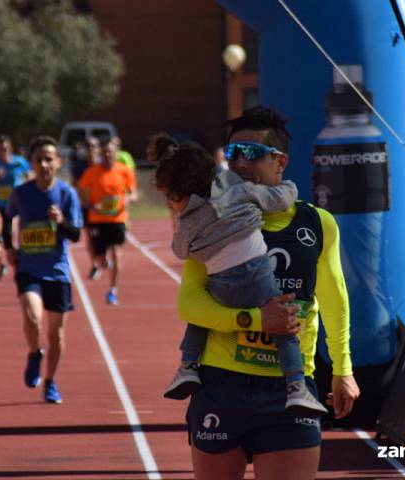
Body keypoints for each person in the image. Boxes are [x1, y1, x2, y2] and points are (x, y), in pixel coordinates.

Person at [176, 105, 359, 479]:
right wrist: (256, 319)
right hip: (221, 384)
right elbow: (190, 303)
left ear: (280, 162)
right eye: (232, 154)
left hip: (289, 391)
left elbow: (335, 297)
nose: (239, 164)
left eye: (252, 153)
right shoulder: (212, 219)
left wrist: (343, 369)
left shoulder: (317, 223)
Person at [153, 134, 326, 417]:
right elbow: (276, 199)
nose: (171, 206)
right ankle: (296, 386)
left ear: (184, 192)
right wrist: (290, 187)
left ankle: (187, 366)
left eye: (171, 199)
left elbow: (181, 251)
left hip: (221, 286)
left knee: (202, 319)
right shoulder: (235, 186)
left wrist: (189, 230)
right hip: (258, 277)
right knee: (283, 328)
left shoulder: (188, 219)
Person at [3, 136, 82, 404]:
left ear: (58, 163)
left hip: (58, 272)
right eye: (39, 160)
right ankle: (34, 353)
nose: (44, 164)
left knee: (56, 334)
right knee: (33, 317)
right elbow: (7, 218)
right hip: (28, 268)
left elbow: (76, 235)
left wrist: (60, 221)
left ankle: (50, 382)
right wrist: (9, 247)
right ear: (32, 164)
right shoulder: (21, 193)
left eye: (49, 159)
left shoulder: (67, 194)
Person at [78, 138, 137, 305]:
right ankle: (103, 262)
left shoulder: (124, 171)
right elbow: (81, 189)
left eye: (111, 151)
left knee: (117, 253)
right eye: (104, 152)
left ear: (116, 153)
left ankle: (113, 290)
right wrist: (90, 205)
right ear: (101, 154)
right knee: (101, 260)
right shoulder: (91, 172)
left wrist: (128, 199)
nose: (108, 154)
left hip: (117, 219)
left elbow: (133, 193)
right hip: (97, 219)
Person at [0, 134, 32, 278]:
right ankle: (4, 263)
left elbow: (30, 175)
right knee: (4, 235)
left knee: (14, 235)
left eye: (5, 149)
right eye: (0, 149)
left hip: (17, 205)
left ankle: (19, 260)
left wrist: (26, 180)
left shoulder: (19, 162)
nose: (3, 152)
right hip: (0, 206)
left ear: (10, 149)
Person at [72, 137, 102, 280]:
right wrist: (86, 203)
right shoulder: (79, 167)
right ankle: (94, 264)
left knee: (104, 237)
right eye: (88, 146)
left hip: (104, 208)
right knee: (90, 237)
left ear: (98, 149)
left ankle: (102, 255)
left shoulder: (104, 165)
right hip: (87, 207)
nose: (91, 149)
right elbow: (76, 186)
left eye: (94, 146)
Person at [146, 132, 178, 232]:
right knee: (176, 222)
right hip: (176, 197)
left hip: (181, 196)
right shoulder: (164, 166)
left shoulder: (172, 158)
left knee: (178, 223)